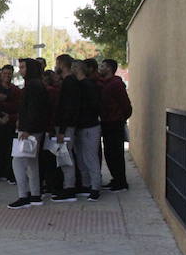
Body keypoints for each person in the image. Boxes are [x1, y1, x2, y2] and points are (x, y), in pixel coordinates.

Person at [8, 59, 50, 208]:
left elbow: (33, 110)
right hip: (35, 129)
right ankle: (35, 195)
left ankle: (23, 195)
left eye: (23, 67)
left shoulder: (32, 86)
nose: (20, 70)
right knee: (32, 162)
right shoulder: (37, 84)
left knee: (18, 161)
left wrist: (26, 129)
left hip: (30, 130)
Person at [98, 59, 132, 192]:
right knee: (109, 153)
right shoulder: (104, 83)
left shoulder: (116, 84)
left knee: (116, 153)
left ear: (110, 68)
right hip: (106, 122)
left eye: (102, 65)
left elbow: (126, 106)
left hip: (115, 123)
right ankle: (115, 179)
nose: (100, 68)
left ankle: (121, 182)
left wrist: (120, 118)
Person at [52, 54, 81, 201]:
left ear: (61, 64)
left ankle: (69, 188)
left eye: (57, 63)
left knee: (65, 155)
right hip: (66, 125)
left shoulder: (69, 82)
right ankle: (67, 186)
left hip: (66, 127)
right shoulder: (69, 81)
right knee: (64, 155)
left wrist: (62, 130)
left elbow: (68, 108)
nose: (55, 66)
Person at [74, 59, 103, 200]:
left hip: (89, 126)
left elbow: (94, 105)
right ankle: (87, 185)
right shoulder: (81, 85)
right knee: (81, 158)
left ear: (77, 68)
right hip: (82, 126)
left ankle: (95, 187)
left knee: (90, 157)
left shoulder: (88, 85)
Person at [0, 64, 20, 184]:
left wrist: (10, 116)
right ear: (1, 75)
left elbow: (19, 106)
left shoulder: (16, 90)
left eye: (9, 74)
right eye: (5, 74)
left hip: (10, 123)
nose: (7, 76)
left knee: (10, 150)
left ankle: (10, 174)